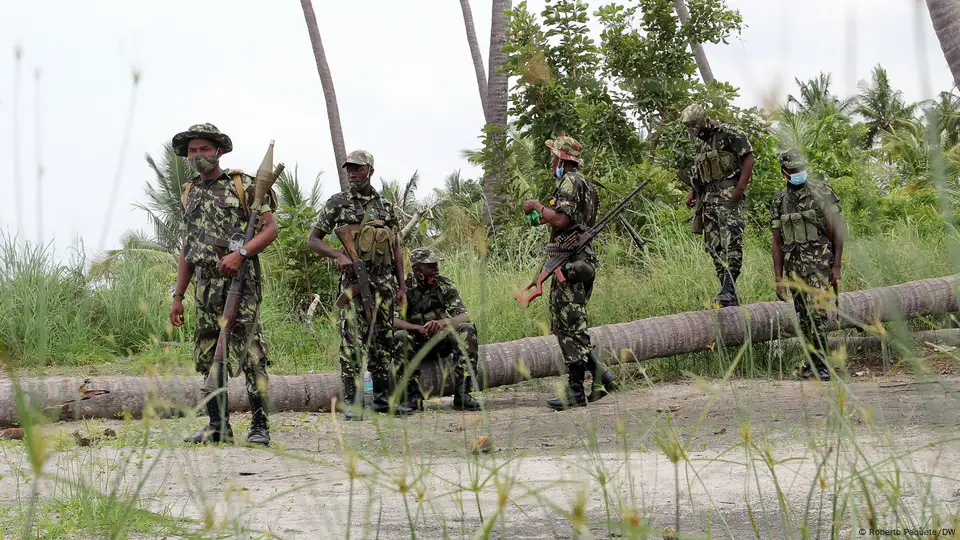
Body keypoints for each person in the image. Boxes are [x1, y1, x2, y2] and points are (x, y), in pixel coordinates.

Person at [169, 123, 278, 446]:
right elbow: (187, 247)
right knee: (207, 352)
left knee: (251, 353)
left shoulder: (241, 186)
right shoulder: (189, 192)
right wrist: (178, 295)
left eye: (204, 148)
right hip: (205, 286)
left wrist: (241, 254)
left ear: (218, 151)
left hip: (240, 282)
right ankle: (218, 426)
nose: (198, 155)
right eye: (192, 150)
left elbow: (270, 229)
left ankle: (260, 426)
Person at [307, 149, 412, 419]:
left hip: (384, 285)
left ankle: (380, 400)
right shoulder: (338, 202)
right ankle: (352, 402)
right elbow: (313, 240)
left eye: (358, 168)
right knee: (351, 342)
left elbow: (397, 249)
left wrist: (401, 287)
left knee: (382, 341)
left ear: (370, 171)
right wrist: (339, 254)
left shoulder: (385, 206)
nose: (352, 173)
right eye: (349, 169)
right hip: (354, 284)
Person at [522, 135, 620, 410]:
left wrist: (535, 205)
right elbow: (564, 219)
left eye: (553, 155)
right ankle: (602, 378)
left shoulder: (569, 181)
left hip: (572, 262)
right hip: (576, 260)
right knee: (567, 324)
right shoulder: (585, 184)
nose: (551, 160)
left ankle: (576, 391)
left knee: (570, 325)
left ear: (562, 158)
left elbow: (563, 219)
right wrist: (540, 214)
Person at [770, 148, 844, 381]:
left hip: (820, 262)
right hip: (795, 267)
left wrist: (836, 266)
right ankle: (812, 363)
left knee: (818, 315)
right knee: (803, 316)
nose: (798, 173)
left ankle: (822, 365)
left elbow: (837, 229)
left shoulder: (821, 191)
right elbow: (777, 242)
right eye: (793, 170)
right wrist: (779, 277)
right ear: (784, 172)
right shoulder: (779, 201)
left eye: (801, 168)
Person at [680, 104, 756, 308]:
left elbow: (748, 157)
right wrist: (693, 193)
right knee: (714, 247)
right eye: (690, 128)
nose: (694, 131)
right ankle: (727, 290)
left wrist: (739, 189)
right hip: (709, 199)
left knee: (731, 242)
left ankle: (728, 290)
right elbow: (699, 171)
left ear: (705, 119)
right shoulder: (700, 143)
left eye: (695, 126)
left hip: (728, 195)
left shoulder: (730, 133)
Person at [393, 247, 482, 412]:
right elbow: (392, 320)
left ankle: (463, 394)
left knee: (467, 329)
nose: (436, 268)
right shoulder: (403, 289)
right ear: (417, 269)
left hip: (440, 343)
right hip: (415, 344)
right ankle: (412, 397)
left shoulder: (443, 284)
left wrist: (442, 323)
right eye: (430, 265)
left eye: (436, 264)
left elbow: (464, 316)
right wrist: (417, 328)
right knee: (400, 336)